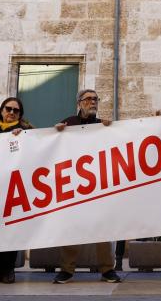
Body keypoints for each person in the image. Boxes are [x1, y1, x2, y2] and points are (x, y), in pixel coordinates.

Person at [52, 89, 121, 284]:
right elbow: (52, 145)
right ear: (79, 103)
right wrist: (54, 131)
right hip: (74, 184)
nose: (93, 102)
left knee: (102, 228)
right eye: (88, 99)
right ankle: (67, 270)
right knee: (71, 227)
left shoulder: (102, 125)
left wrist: (111, 130)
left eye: (95, 99)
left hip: (98, 184)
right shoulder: (68, 123)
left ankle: (107, 269)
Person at [0, 97, 33, 284]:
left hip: (14, 187)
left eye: (16, 110)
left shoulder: (27, 130)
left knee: (11, 230)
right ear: (2, 110)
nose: (11, 112)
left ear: (20, 115)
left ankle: (9, 270)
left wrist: (23, 137)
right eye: (8, 109)